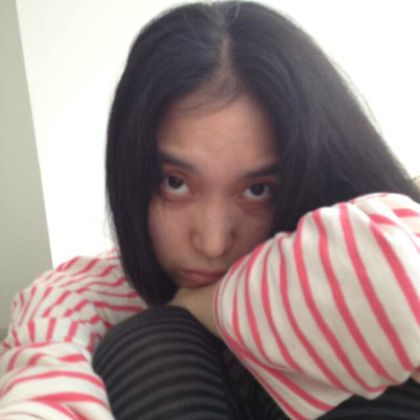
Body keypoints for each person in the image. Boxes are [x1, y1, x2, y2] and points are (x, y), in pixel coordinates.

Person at [1, 1, 420, 419]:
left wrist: (204, 304)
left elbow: (399, 283)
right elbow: (45, 377)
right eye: (175, 183)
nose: (213, 242)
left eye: (257, 190)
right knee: (148, 341)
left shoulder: (381, 227)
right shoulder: (89, 292)